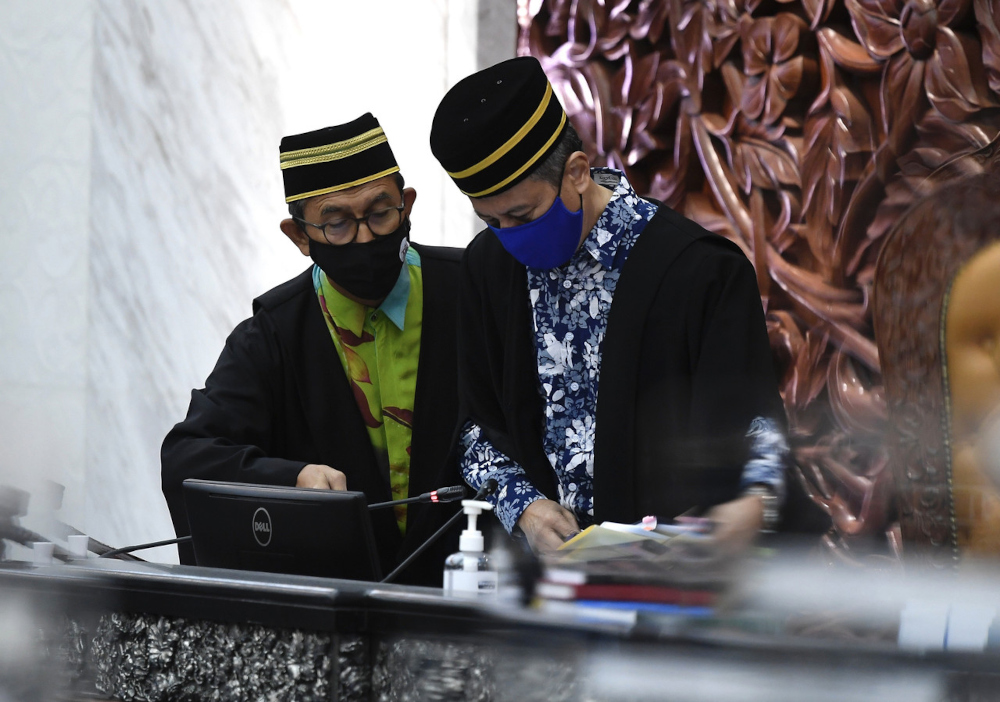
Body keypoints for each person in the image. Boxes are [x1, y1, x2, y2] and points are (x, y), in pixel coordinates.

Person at [429, 57, 788, 554]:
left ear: (576, 173)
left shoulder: (699, 273)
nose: (508, 237)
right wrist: (525, 507)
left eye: (522, 215)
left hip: (671, 583)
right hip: (545, 583)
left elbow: (759, 428)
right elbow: (475, 427)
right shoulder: (488, 269)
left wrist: (753, 501)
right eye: (491, 220)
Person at [162, 114, 462, 585]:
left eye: (380, 214)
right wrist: (292, 479)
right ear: (299, 235)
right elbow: (190, 457)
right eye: (337, 224)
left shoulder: (472, 292)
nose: (364, 237)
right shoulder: (272, 336)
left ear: (407, 205)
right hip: (341, 609)